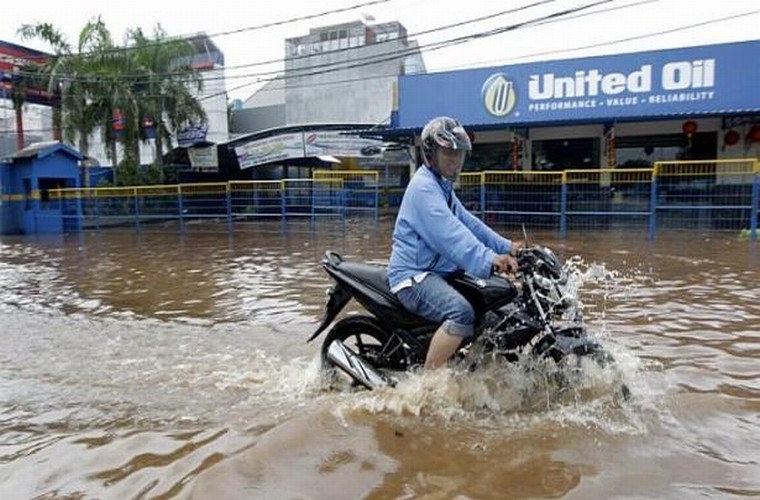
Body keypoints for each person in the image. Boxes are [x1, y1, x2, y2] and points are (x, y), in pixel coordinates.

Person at [387, 116, 521, 370]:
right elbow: (450, 236)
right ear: (431, 154)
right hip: (413, 276)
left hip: (438, 272)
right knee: (462, 312)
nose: (455, 159)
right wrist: (489, 259)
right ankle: (428, 386)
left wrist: (507, 247)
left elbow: (469, 224)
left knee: (492, 305)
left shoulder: (442, 187)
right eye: (448, 152)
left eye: (459, 153)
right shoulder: (424, 188)